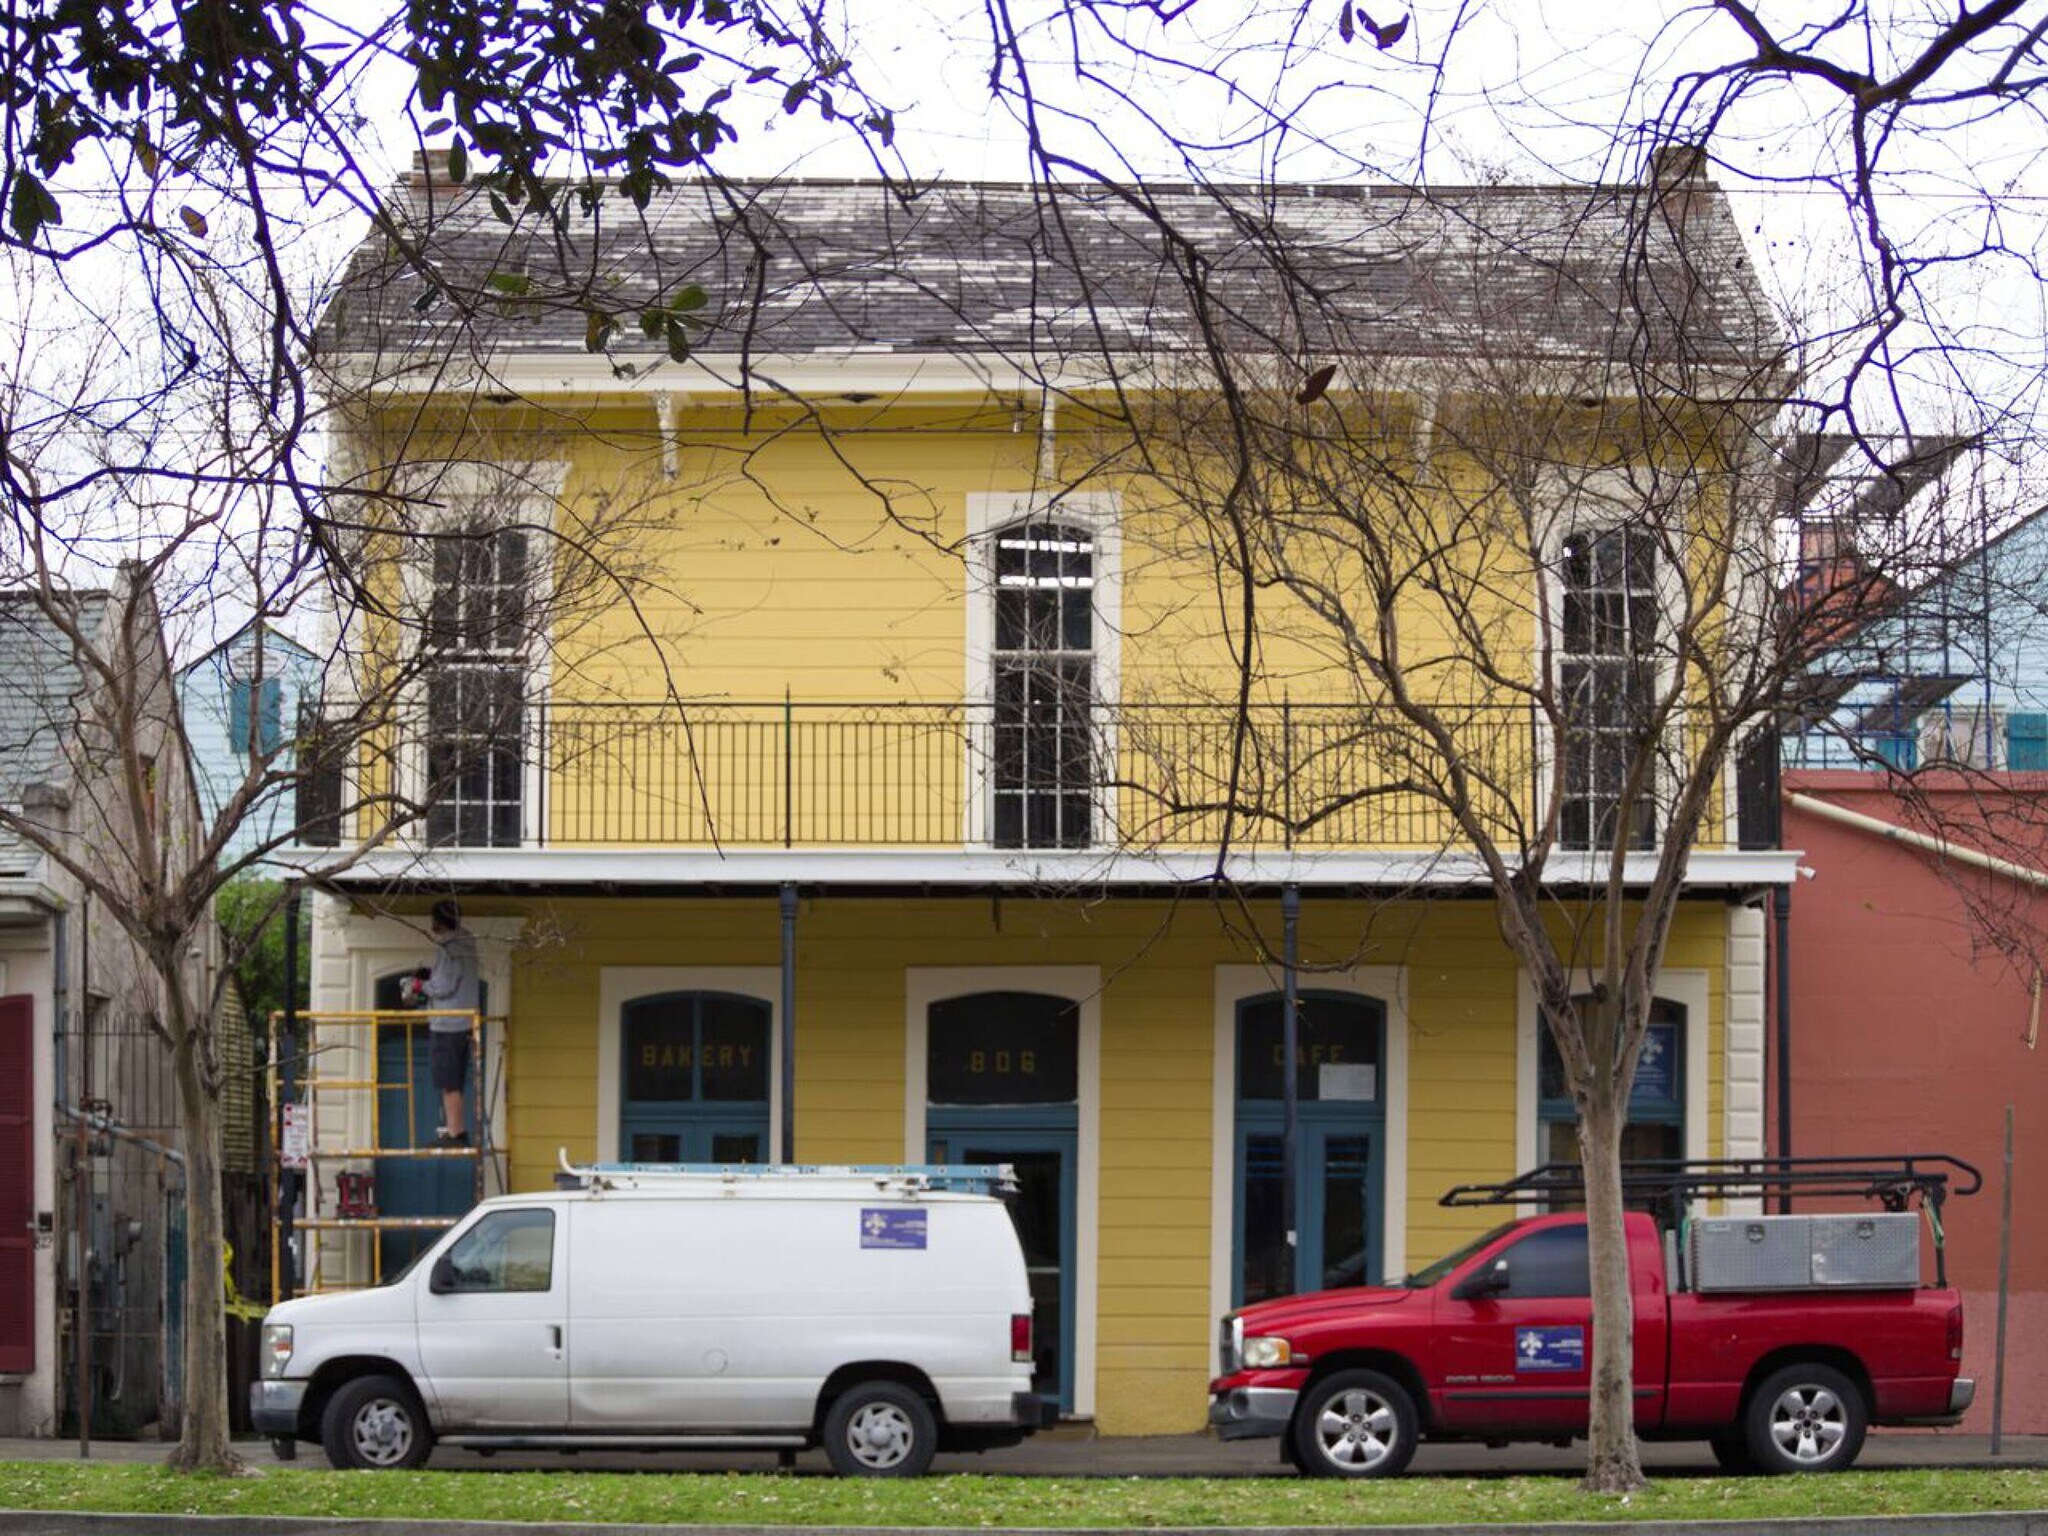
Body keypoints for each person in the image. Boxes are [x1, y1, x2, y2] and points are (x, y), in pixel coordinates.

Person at [414, 898, 479, 1146]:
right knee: (455, 1080)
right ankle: (456, 1130)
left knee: (448, 1081)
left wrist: (420, 985)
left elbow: (443, 986)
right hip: (464, 1021)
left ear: (439, 921)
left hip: (447, 1023)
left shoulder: (449, 947)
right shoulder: (467, 942)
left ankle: (455, 1133)